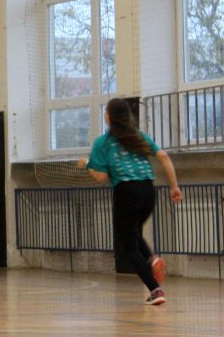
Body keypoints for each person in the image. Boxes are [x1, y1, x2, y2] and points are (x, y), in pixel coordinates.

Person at [78, 98, 182, 306]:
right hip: (148, 190)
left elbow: (101, 177)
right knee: (133, 234)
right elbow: (163, 156)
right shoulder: (139, 136)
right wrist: (174, 187)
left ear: (109, 117)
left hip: (126, 191)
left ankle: (155, 289)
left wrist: (87, 164)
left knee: (129, 246)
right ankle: (153, 259)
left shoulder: (103, 142)